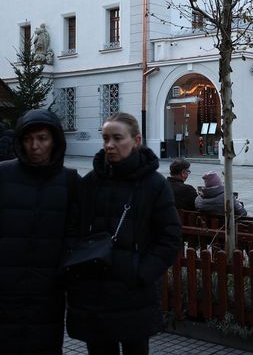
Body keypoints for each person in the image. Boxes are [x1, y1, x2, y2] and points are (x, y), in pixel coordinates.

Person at [65, 112, 182, 355]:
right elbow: (72, 230)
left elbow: (170, 238)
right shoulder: (90, 183)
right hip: (93, 290)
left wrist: (142, 271)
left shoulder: (155, 185)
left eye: (118, 138)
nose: (109, 145)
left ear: (136, 140)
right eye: (106, 138)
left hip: (134, 293)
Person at [0, 109, 78, 354]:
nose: (35, 146)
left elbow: (76, 231)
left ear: (55, 141)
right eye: (28, 139)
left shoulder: (69, 181)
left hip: (45, 294)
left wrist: (63, 269)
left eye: (42, 139)